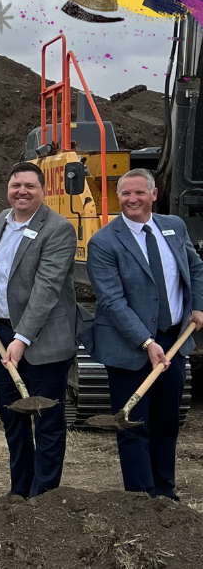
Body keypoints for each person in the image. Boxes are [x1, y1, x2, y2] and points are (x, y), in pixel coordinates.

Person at [87, 168, 203, 500]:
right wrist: (146, 342)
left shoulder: (174, 227)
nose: (132, 199)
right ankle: (141, 499)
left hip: (174, 340)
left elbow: (194, 267)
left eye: (139, 192)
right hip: (130, 346)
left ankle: (164, 495)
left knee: (167, 424)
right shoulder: (105, 242)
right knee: (133, 426)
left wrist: (197, 305)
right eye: (125, 194)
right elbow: (111, 301)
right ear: (117, 198)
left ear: (153, 195)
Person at [0, 162, 78, 499]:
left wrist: (21, 339)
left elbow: (46, 290)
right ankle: (19, 489)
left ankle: (44, 495)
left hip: (43, 341)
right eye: (16, 184)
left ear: (42, 190)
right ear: (8, 188)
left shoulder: (58, 230)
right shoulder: (2, 220)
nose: (22, 191)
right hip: (2, 333)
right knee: (13, 419)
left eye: (30, 186)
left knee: (46, 421)